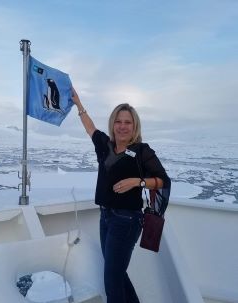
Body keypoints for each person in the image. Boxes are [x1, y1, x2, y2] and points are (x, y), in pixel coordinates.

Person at [72, 87, 171, 303]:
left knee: (112, 280)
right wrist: (79, 104)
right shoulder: (106, 146)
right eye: (118, 121)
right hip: (106, 217)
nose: (122, 126)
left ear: (134, 126)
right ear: (113, 124)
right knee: (116, 273)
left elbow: (163, 180)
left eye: (127, 122)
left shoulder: (142, 151)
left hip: (127, 221)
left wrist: (139, 181)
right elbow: (90, 128)